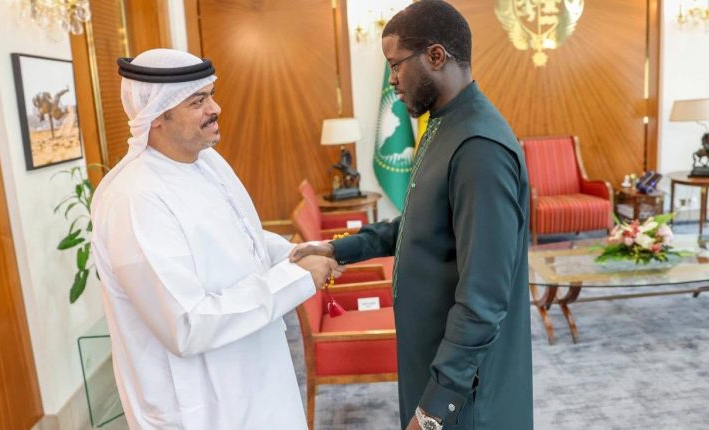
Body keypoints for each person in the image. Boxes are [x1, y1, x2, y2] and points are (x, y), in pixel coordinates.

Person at [290, 1, 533, 429]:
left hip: (469, 393)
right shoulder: (444, 124)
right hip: (432, 354)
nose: (392, 79)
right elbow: (421, 223)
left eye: (395, 64)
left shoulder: (479, 149)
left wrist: (435, 408)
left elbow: (483, 300)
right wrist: (337, 248)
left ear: (436, 56)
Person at [90, 48, 342, 429]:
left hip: (255, 378)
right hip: (205, 407)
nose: (215, 108)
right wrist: (296, 277)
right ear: (156, 117)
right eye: (198, 101)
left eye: (210, 95)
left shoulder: (206, 161)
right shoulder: (136, 199)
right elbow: (187, 323)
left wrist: (295, 252)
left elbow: (239, 237)